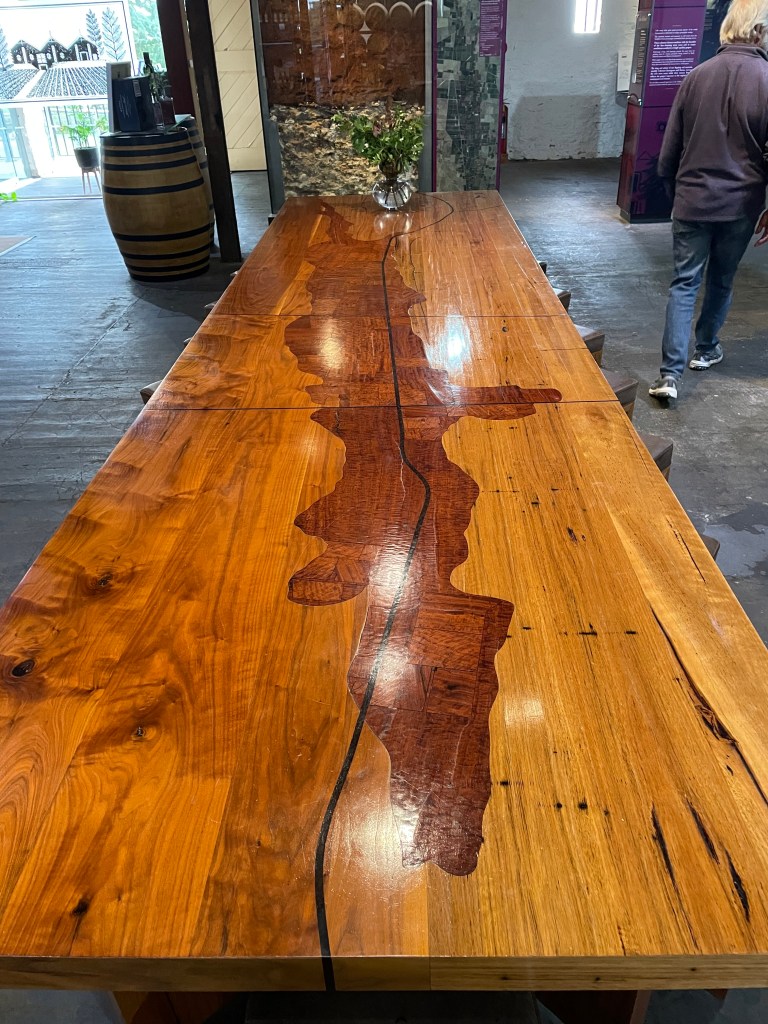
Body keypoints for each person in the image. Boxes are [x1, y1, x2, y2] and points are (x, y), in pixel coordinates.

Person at [649, 0, 768, 401]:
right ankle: (705, 349)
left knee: (684, 283)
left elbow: (669, 150)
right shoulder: (766, 79)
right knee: (721, 278)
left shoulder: (696, 76)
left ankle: (669, 375)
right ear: (760, 30)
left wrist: (676, 194)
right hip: (740, 204)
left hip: (692, 200)